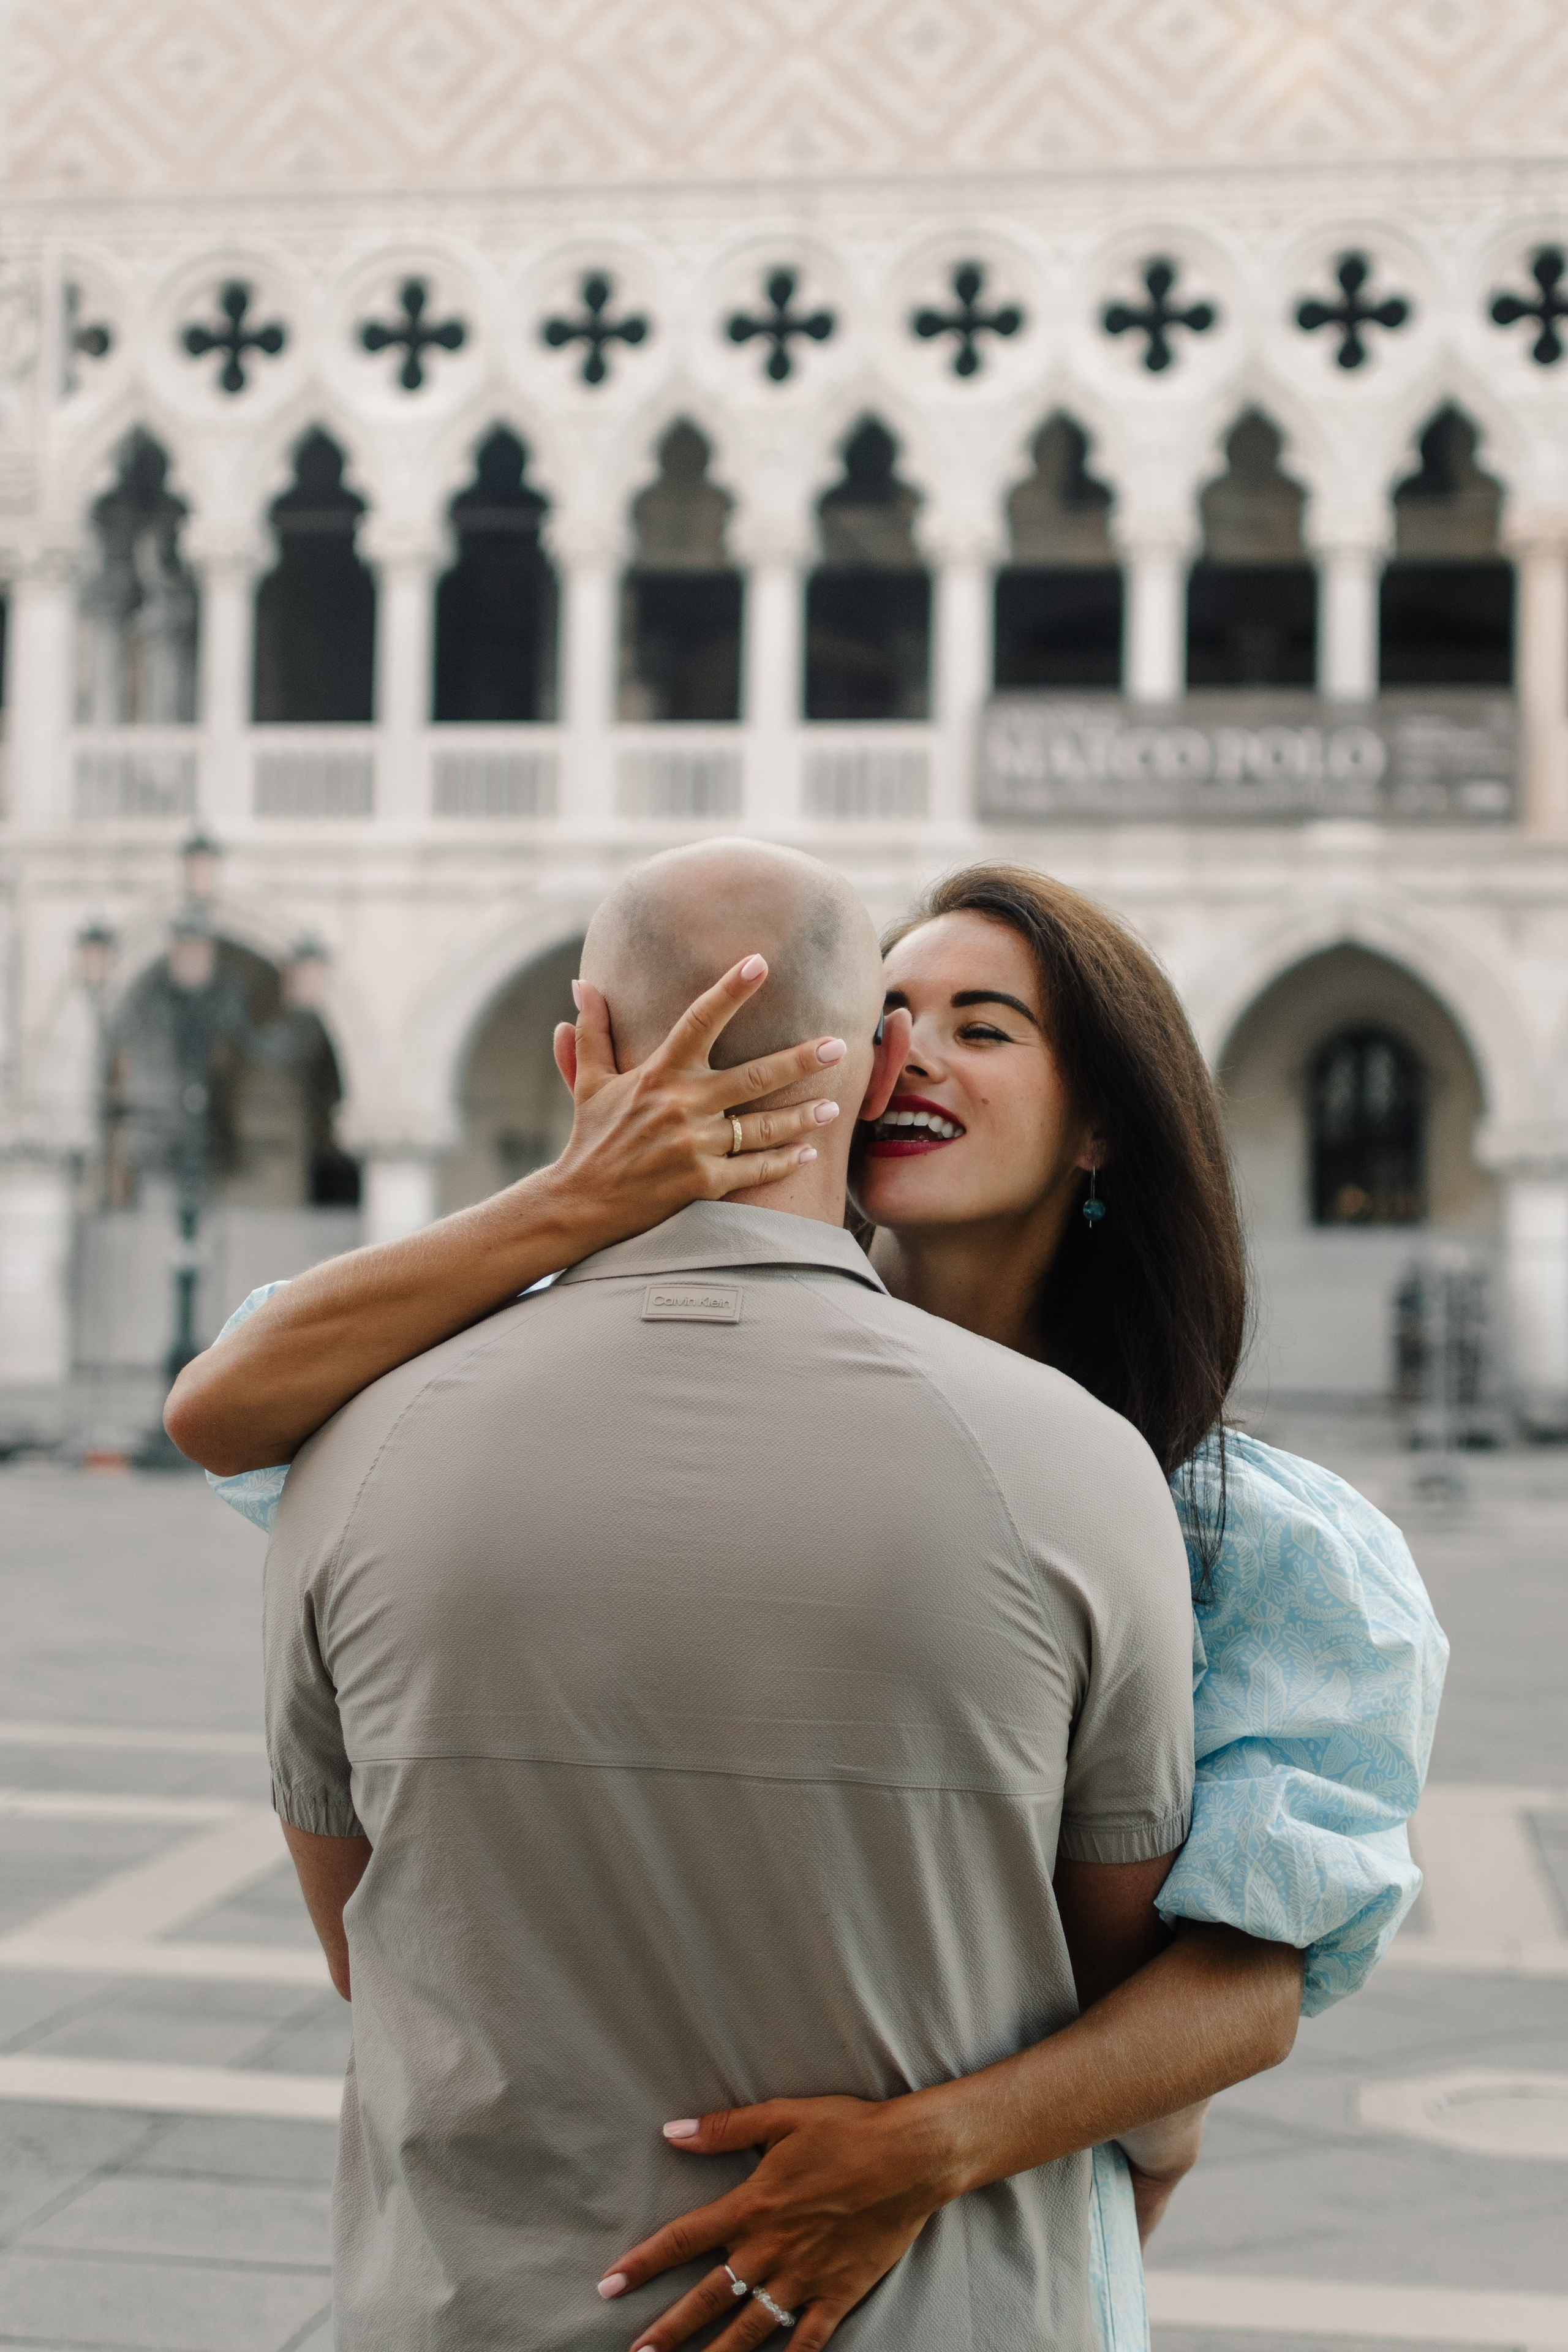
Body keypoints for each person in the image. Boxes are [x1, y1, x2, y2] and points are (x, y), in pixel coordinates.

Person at [167, 851, 1442, 2350]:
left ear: (1103, 1122)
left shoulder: (1244, 1535)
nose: (915, 1057)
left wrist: (943, 2142)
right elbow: (231, 1396)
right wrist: (588, 1192)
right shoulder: (618, 1383)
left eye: (985, 1026)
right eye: (890, 1017)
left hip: (948, 2235)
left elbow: (1247, 1980)